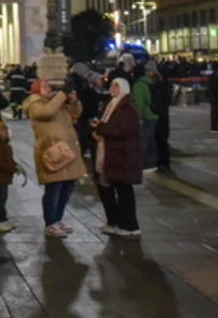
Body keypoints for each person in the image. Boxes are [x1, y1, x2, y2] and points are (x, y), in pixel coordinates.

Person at [27, 81, 85, 237]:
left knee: (67, 187)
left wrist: (73, 100)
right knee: (54, 189)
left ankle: (58, 219)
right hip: (52, 153)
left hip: (67, 152)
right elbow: (47, 113)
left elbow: (76, 113)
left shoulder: (57, 102)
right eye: (45, 86)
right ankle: (50, 223)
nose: (49, 88)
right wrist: (61, 95)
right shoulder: (35, 104)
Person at [94, 70, 144, 237]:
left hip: (123, 156)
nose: (113, 88)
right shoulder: (111, 104)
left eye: (117, 85)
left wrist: (99, 128)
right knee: (108, 188)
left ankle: (129, 225)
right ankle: (114, 221)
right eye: (112, 85)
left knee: (124, 191)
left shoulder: (126, 107)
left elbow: (119, 130)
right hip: (111, 154)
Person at [134, 64, 171, 172]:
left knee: (147, 140)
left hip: (148, 115)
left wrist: (139, 117)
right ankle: (163, 163)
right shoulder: (160, 83)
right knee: (161, 140)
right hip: (161, 115)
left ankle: (149, 164)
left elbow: (140, 103)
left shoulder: (140, 84)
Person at [205, 64, 218, 132]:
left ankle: (214, 125)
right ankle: (214, 126)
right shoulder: (217, 76)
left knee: (214, 111)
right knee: (216, 111)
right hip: (215, 95)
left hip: (212, 95)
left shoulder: (211, 76)